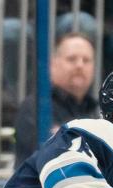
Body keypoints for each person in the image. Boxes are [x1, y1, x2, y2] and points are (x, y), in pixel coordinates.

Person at [13, 32, 99, 168]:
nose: (80, 65)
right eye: (71, 59)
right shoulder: (34, 108)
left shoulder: (98, 111)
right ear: (53, 65)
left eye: (86, 60)